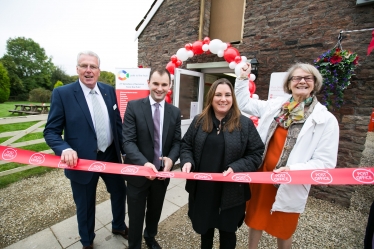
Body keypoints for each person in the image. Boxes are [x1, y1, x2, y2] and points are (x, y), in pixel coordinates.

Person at [234, 62, 340, 249]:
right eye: (297, 78)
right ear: (289, 83)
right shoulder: (276, 106)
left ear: (314, 84)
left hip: (289, 182)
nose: (302, 81)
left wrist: (293, 170)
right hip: (262, 178)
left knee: (283, 228)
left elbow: (325, 162)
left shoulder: (326, 120)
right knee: (255, 220)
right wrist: (243, 78)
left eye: (308, 78)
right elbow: (244, 103)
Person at [44, 51, 128, 249]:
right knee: (85, 203)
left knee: (119, 192)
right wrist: (64, 148)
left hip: (110, 156)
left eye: (93, 66)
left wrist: (126, 151)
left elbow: (118, 125)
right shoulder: (63, 94)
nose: (88, 70)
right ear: (77, 69)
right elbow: (51, 131)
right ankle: (87, 241)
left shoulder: (109, 91)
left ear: (99, 70)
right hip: (81, 161)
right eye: (84, 66)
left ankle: (118, 225)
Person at [180, 78, 265, 249]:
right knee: (205, 233)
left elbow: (256, 154)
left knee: (228, 234)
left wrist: (237, 167)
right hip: (203, 191)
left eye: (227, 95)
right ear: (211, 97)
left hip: (232, 192)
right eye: (218, 94)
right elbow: (186, 145)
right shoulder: (198, 121)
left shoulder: (245, 124)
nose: (223, 99)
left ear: (232, 98)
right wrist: (187, 160)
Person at [122, 67, 181, 249]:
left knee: (155, 212)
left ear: (170, 86)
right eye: (155, 83)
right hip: (138, 174)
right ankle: (135, 245)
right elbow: (128, 142)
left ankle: (150, 237)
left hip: (162, 176)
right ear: (148, 83)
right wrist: (144, 164)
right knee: (136, 215)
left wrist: (171, 160)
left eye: (164, 84)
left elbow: (177, 142)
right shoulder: (133, 107)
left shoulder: (174, 112)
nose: (159, 88)